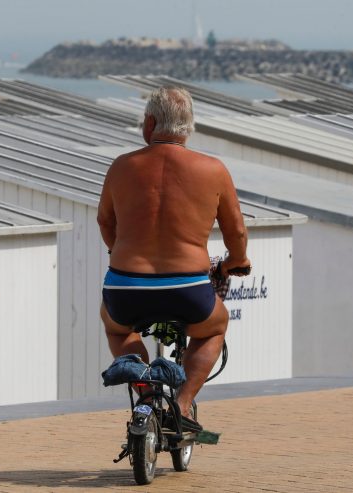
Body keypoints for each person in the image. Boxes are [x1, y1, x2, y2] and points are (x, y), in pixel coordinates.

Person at [97, 86, 250, 431]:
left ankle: (147, 396)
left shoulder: (121, 167)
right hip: (187, 288)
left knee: (117, 327)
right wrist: (236, 261)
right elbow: (236, 231)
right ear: (189, 127)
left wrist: (118, 251)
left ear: (149, 124)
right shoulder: (213, 169)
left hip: (126, 287)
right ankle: (181, 406)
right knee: (214, 327)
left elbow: (105, 222)